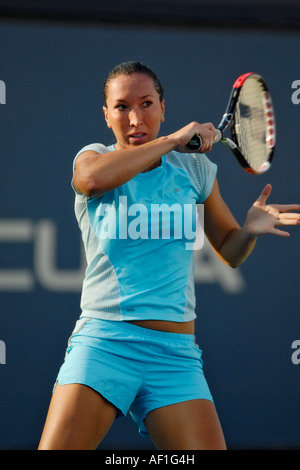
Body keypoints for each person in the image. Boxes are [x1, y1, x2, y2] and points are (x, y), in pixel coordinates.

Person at [38, 61, 300, 450]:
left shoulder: (194, 169)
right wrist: (174, 140)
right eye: (122, 107)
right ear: (106, 115)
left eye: (146, 103)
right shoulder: (93, 158)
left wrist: (247, 231)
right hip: (105, 344)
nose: (135, 118)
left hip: (175, 357)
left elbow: (230, 250)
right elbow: (91, 181)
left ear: (163, 108)